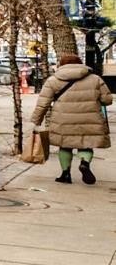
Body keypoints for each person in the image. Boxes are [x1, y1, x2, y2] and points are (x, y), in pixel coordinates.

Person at [30, 52, 112, 185]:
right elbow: (107, 100)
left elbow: (43, 103)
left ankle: (65, 174)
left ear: (61, 65)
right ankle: (84, 163)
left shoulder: (53, 80)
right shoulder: (95, 79)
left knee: (65, 146)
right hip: (89, 118)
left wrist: (36, 120)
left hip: (63, 119)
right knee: (86, 144)